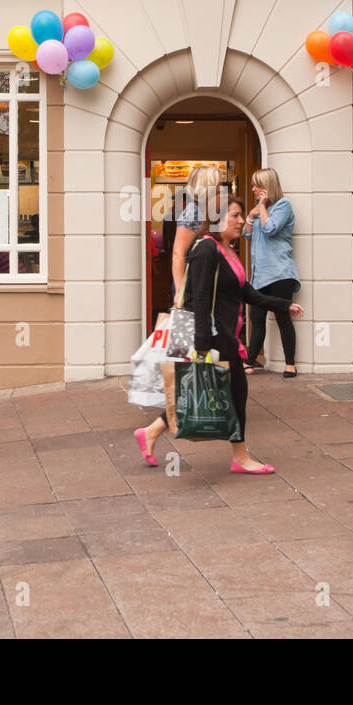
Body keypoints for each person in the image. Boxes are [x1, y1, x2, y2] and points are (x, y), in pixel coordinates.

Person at [135, 195, 303, 475]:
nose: (241, 221)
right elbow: (199, 299)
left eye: (240, 216)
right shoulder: (205, 249)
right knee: (235, 391)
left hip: (224, 334)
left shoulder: (227, 250)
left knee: (204, 389)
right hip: (213, 336)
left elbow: (245, 292)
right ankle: (240, 457)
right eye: (235, 215)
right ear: (216, 219)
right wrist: (201, 347)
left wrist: (284, 305)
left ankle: (151, 431)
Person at [242, 168, 300, 378]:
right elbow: (246, 235)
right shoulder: (258, 209)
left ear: (267, 187)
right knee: (256, 317)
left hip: (280, 273)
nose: (253, 189)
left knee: (282, 317)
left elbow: (270, 229)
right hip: (260, 275)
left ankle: (290, 364)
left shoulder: (283, 206)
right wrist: (250, 215)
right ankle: (249, 361)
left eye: (257, 185)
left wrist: (262, 208)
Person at [170, 164, 223, 294]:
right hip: (192, 287)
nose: (221, 189)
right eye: (218, 186)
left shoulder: (209, 211)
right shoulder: (192, 212)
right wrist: (179, 290)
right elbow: (178, 254)